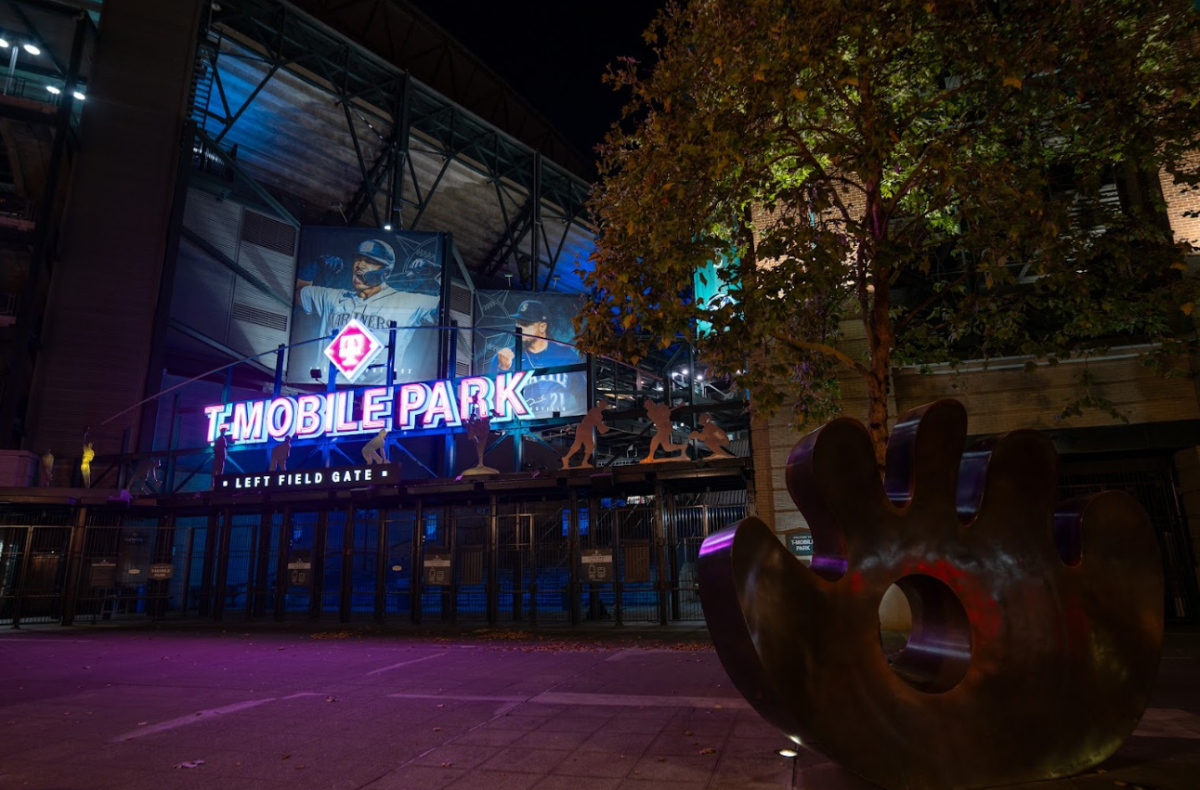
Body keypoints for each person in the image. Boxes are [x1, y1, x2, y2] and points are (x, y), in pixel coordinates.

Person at [295, 239, 439, 384]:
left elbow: (443, 310)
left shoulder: (407, 302)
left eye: (369, 261)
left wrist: (437, 272)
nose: (360, 265)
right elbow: (298, 293)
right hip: (326, 387)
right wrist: (316, 265)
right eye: (358, 259)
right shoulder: (333, 298)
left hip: (377, 394)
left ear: (386, 272)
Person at [489, 299, 582, 417]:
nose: (519, 327)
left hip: (556, 428)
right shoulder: (502, 358)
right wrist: (503, 368)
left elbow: (582, 395)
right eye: (518, 322)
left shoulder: (567, 355)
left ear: (542, 326)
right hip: (518, 427)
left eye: (526, 324)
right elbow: (492, 400)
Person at [562, 401, 610, 469]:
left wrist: (602, 427)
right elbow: (596, 422)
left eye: (604, 405)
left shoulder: (599, 414)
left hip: (586, 429)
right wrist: (603, 427)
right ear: (600, 405)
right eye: (603, 405)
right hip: (584, 428)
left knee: (587, 446)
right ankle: (568, 459)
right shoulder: (595, 411)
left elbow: (597, 423)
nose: (604, 406)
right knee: (579, 445)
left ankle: (580, 461)